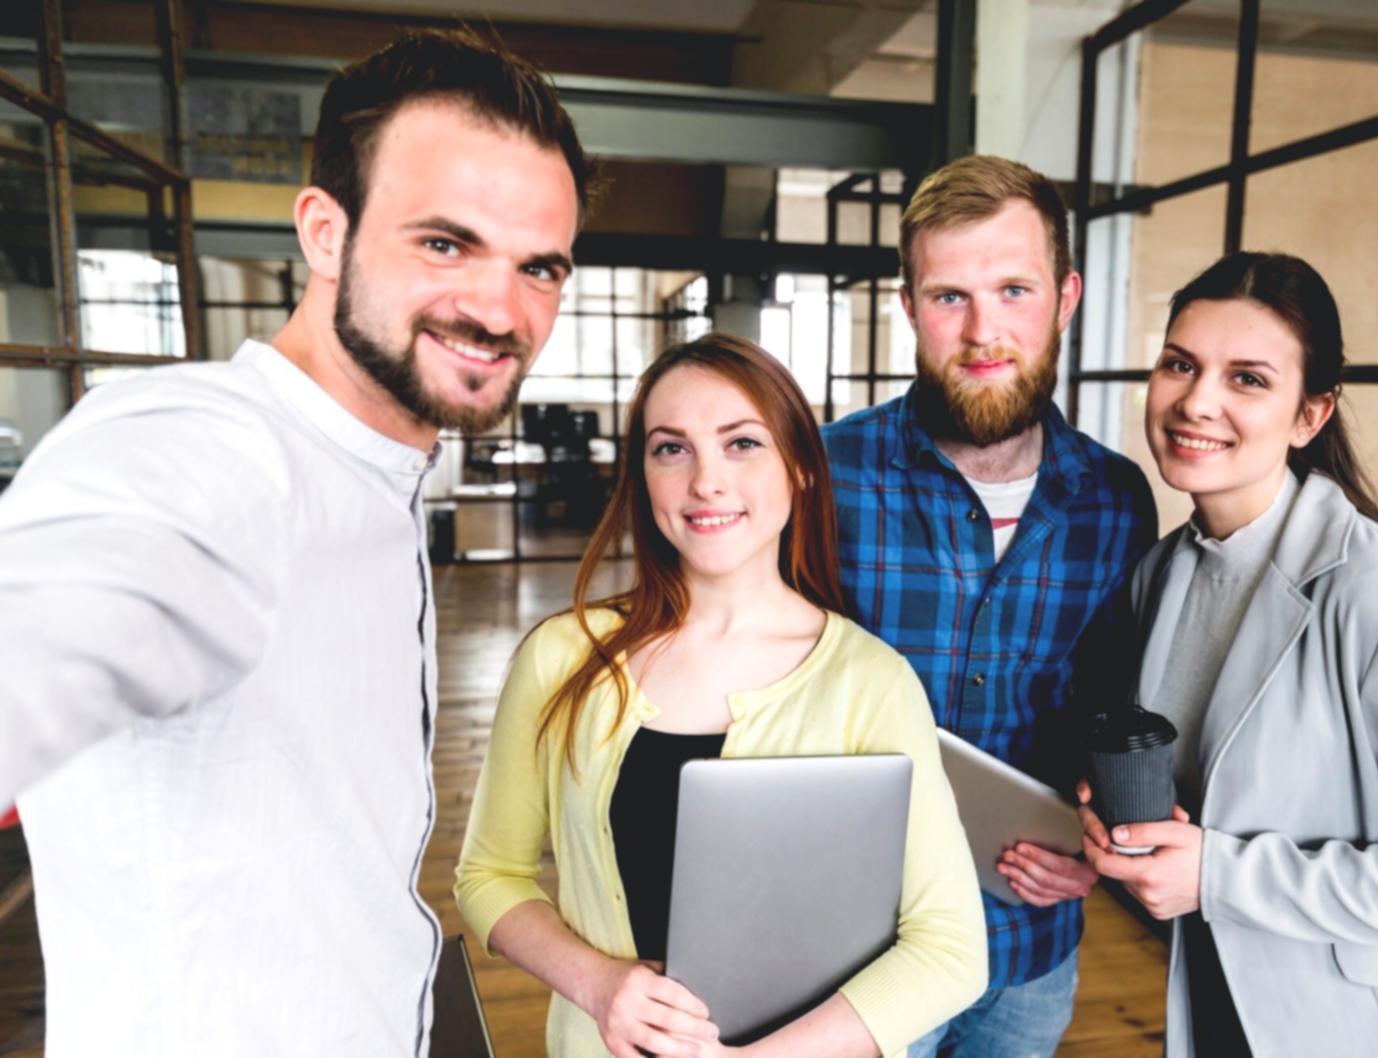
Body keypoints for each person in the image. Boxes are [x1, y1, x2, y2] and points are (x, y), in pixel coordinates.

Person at [0, 30, 592, 1057]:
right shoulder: (208, 452)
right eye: (445, 243)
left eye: (538, 266)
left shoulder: (376, 462)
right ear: (325, 232)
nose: (500, 308)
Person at [1078, 251, 1378, 1058]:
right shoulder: (1158, 575)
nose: (1197, 401)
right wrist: (1129, 817)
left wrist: (1220, 875)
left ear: (1311, 414)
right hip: (1231, 1009)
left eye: (1248, 379)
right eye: (1179, 364)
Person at [455, 334, 987, 1058]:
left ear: (799, 467)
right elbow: (489, 875)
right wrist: (599, 985)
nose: (705, 481)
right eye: (670, 448)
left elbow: (950, 948)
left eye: (741, 443)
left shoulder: (872, 681)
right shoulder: (562, 656)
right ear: (642, 474)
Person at [822, 153, 1159, 1056]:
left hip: (1029, 945)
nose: (983, 331)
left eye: (1014, 289)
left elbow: (1106, 709)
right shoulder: (819, 475)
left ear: (1065, 297)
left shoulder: (1117, 499)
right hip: (855, 952)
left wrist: (1095, 840)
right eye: (949, 297)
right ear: (907, 308)